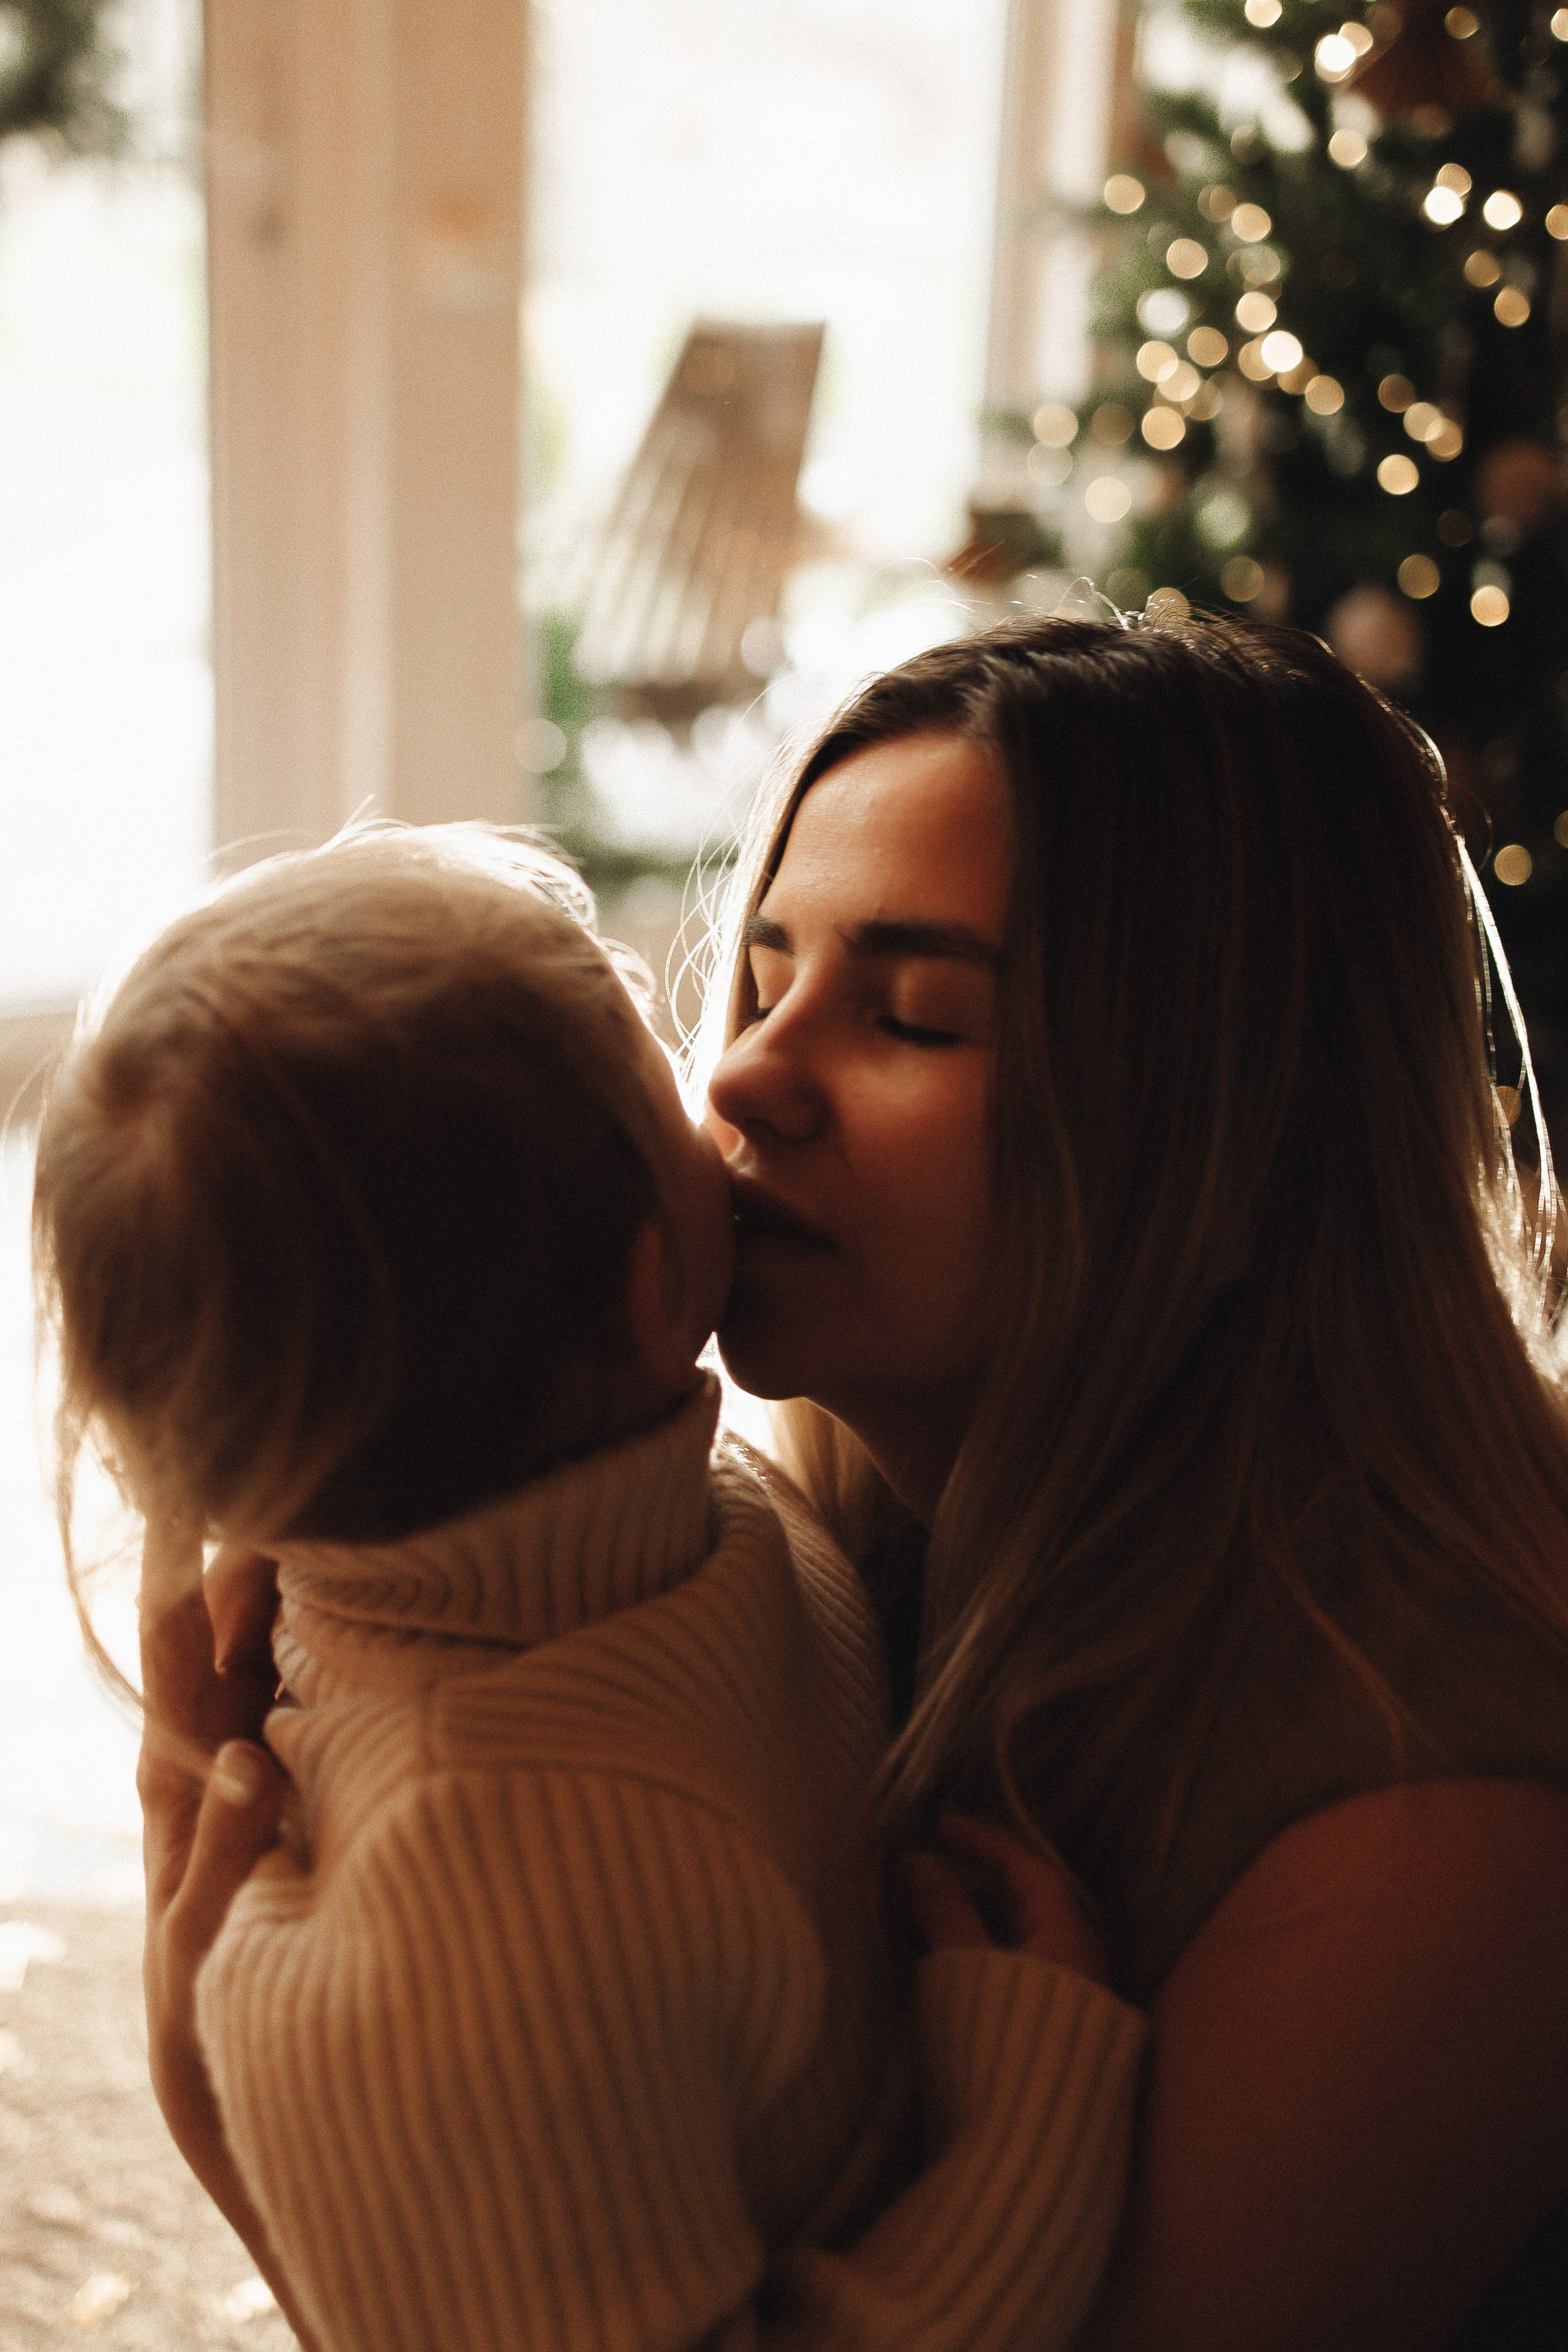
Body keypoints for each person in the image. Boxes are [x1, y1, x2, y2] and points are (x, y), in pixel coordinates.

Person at [139, 609, 1568, 2350]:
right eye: (762, 980)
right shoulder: (787, 1561)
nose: (743, 1074)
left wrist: (231, 2125)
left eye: (911, 1016)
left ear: (1240, 1143)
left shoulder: (1437, 1834)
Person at [32, 823, 1144, 2352]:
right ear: (645, 1284)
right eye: (665, 1066)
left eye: (906, 1018)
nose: (733, 1081)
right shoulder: (476, 1914)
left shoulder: (652, 1510)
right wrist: (1015, 2141)